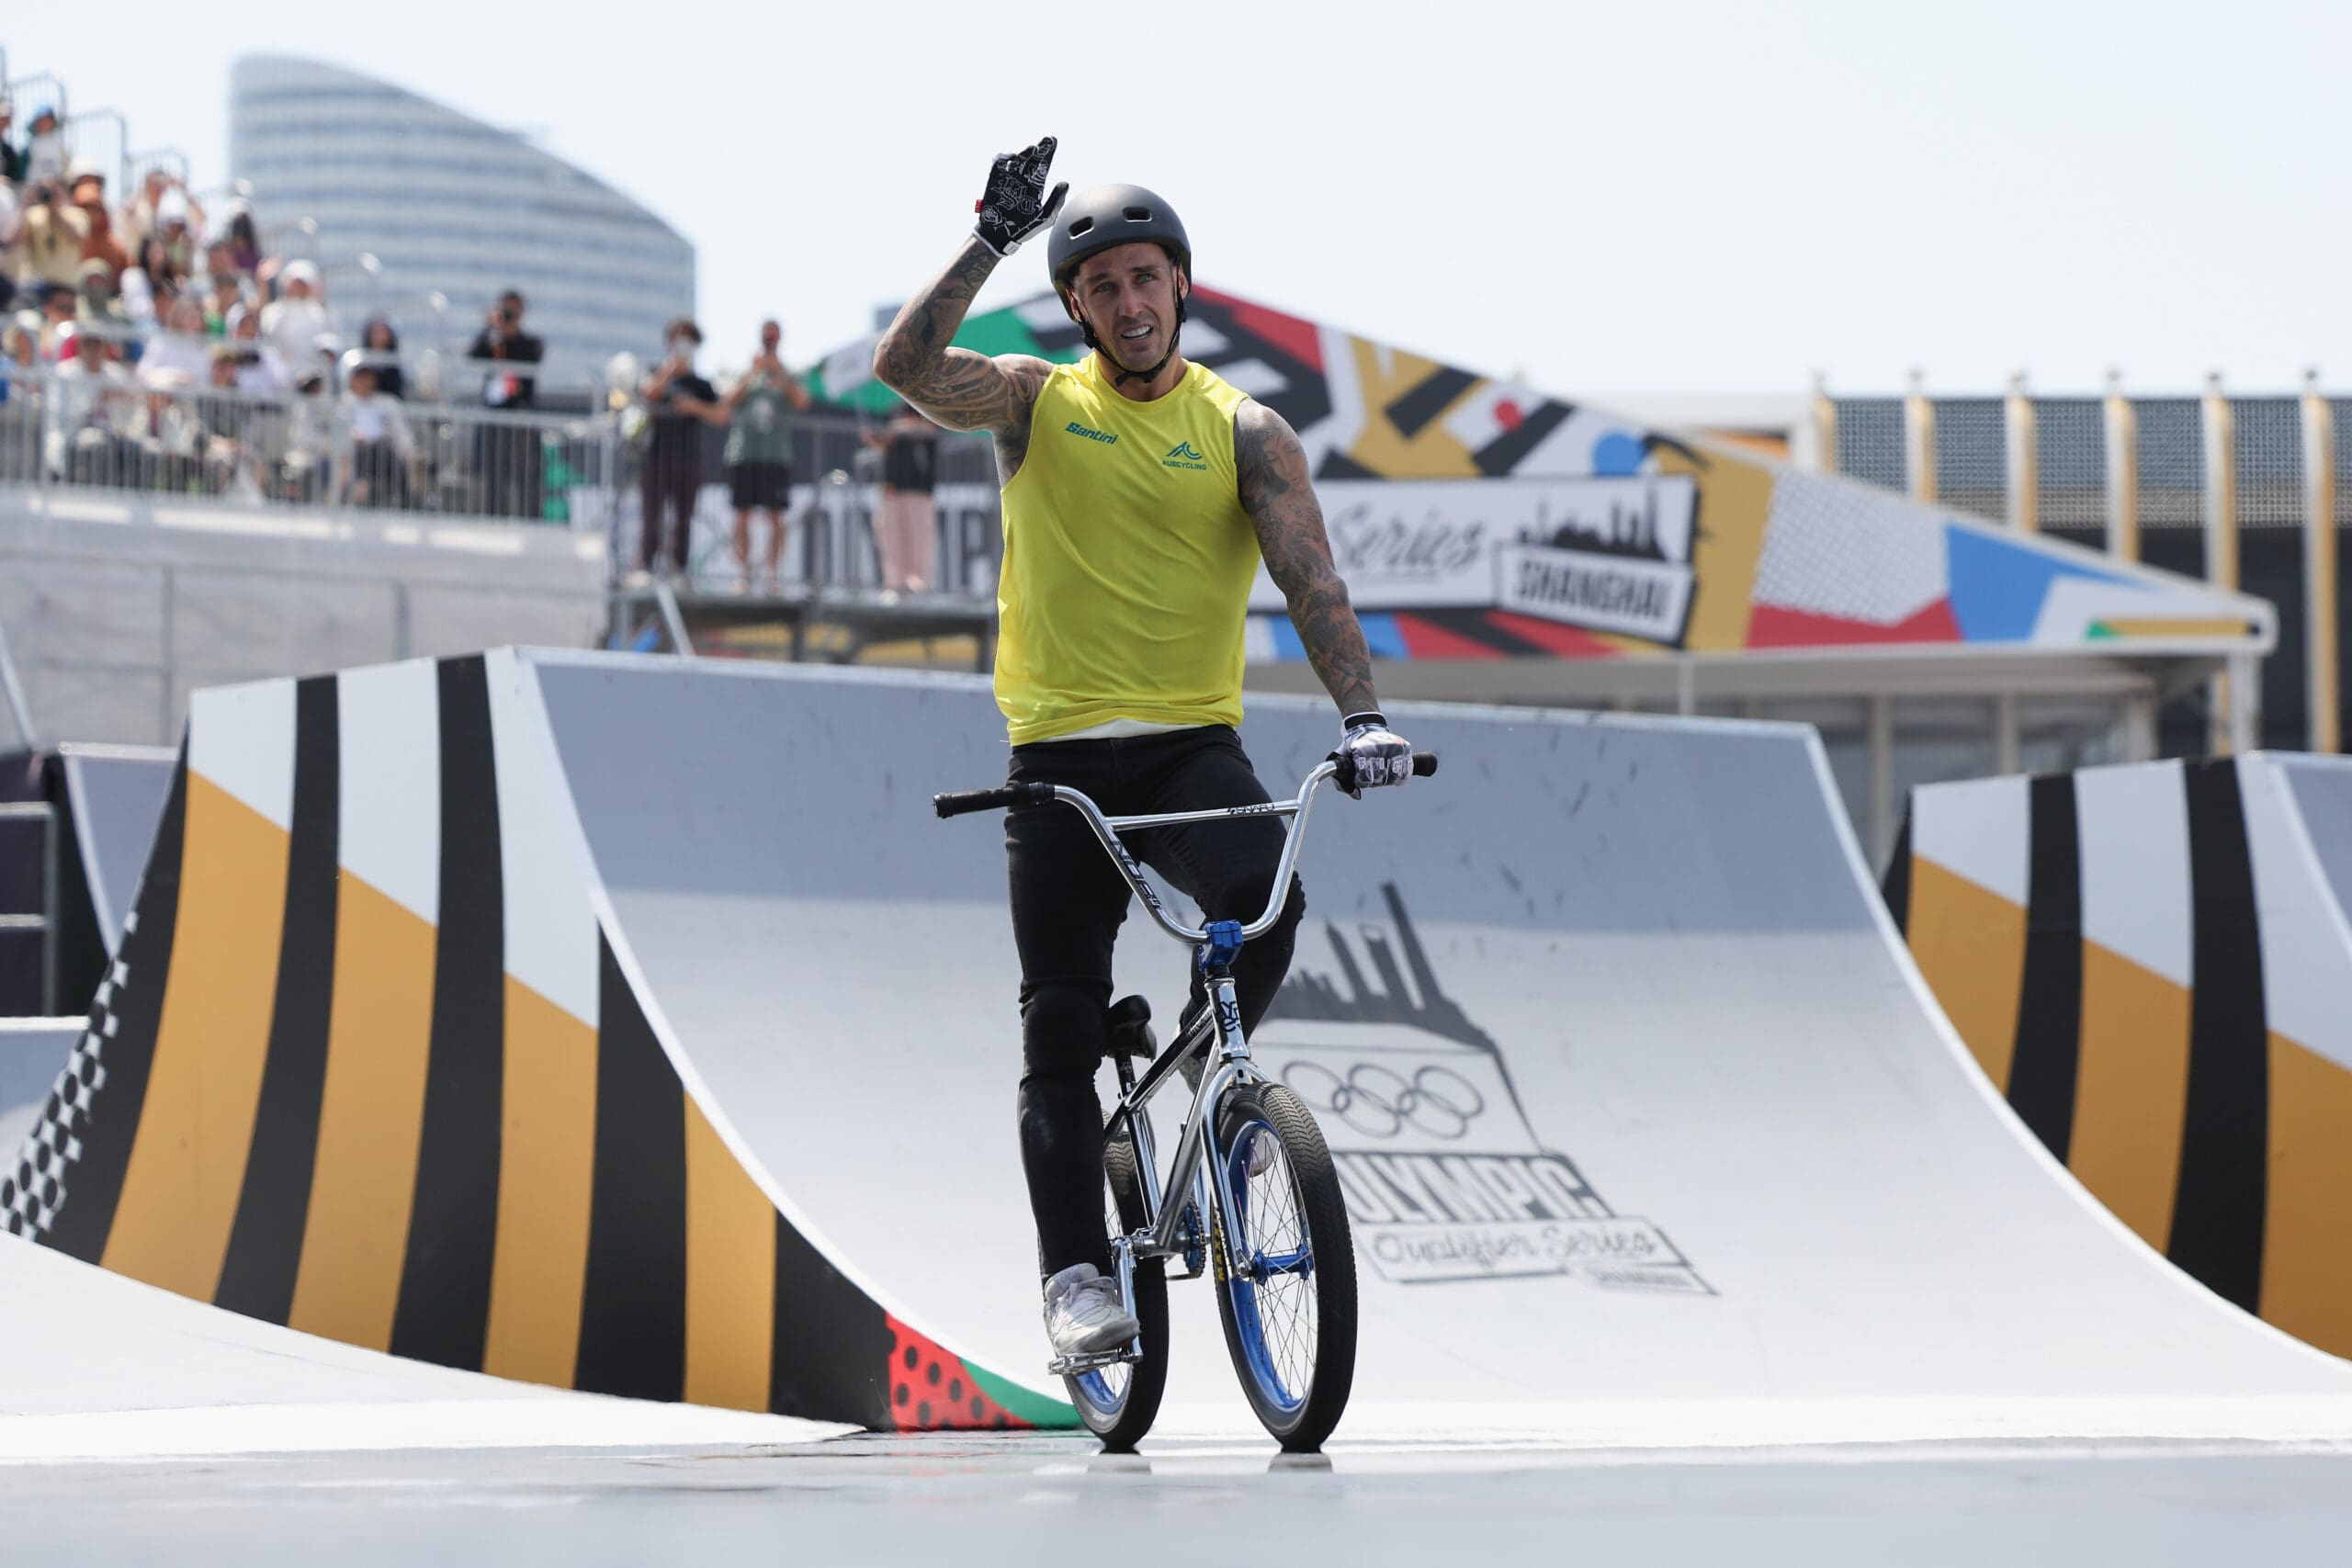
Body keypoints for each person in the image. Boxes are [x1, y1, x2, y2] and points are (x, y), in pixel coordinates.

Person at [873, 140, 1415, 1359]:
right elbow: (903, 367)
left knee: (1268, 908)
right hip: (1057, 763)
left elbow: (1311, 578)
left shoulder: (1246, 429)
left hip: (1186, 756)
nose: (1126, 303)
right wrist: (987, 240)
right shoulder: (1033, 398)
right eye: (1101, 286)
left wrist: (1361, 717)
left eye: (1144, 279)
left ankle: (1206, 1079)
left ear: (1180, 287)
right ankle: (1075, 1278)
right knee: (1058, 1024)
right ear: (1076, 306)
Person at [722, 319, 809, 592]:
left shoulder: (787, 373)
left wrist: (780, 373)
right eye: (765, 338)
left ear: (780, 339)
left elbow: (802, 401)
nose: (769, 342)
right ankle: (745, 574)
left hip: (776, 456)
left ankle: (773, 575)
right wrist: (752, 373)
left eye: (773, 338)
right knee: (742, 516)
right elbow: (728, 400)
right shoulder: (747, 371)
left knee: (776, 517)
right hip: (745, 453)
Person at [635, 318, 724, 578]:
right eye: (677, 338)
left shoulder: (701, 385)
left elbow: (721, 415)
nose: (682, 343)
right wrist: (670, 372)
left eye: (687, 339)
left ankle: (680, 568)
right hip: (657, 455)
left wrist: (695, 407)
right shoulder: (657, 373)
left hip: (688, 458)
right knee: (651, 514)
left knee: (683, 518)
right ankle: (645, 564)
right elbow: (647, 393)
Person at [466, 288, 545, 517]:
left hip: (521, 413)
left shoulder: (532, 342)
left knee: (525, 471)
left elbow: (532, 358)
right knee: (492, 470)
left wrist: (510, 333)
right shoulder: (492, 339)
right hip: (494, 414)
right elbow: (473, 354)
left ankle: (529, 518)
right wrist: (491, 328)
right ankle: (493, 516)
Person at [861, 400, 942, 593]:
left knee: (920, 540)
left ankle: (920, 587)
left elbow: (933, 430)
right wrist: (873, 439)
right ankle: (894, 586)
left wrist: (897, 430)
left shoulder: (928, 405)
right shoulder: (891, 411)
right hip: (892, 488)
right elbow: (882, 444)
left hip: (919, 490)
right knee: (891, 540)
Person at [340, 359, 413, 509]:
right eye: (361, 377)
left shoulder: (387, 403)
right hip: (354, 451)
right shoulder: (342, 403)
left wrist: (403, 447)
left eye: (369, 377)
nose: (365, 382)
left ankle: (407, 505)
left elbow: (403, 434)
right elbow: (339, 431)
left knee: (396, 462)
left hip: (383, 450)